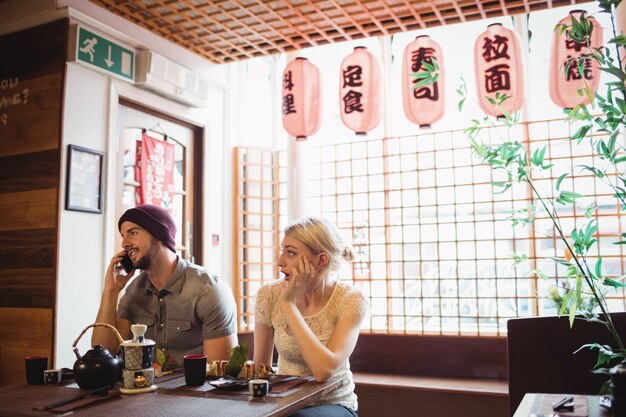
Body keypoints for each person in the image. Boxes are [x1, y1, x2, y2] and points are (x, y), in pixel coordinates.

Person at [92, 204, 237, 369]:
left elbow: (220, 371)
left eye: (132, 233)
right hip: (144, 392)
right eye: (123, 236)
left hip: (194, 393)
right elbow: (103, 352)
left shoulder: (208, 290)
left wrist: (166, 372)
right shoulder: (133, 291)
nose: (124, 244)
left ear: (159, 234)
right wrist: (111, 291)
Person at [254, 216, 368, 417]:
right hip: (283, 405)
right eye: (283, 251)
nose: (280, 262)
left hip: (336, 405)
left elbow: (323, 370)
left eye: (290, 253)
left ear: (321, 260)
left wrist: (289, 305)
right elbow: (260, 371)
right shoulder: (268, 294)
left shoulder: (351, 299)